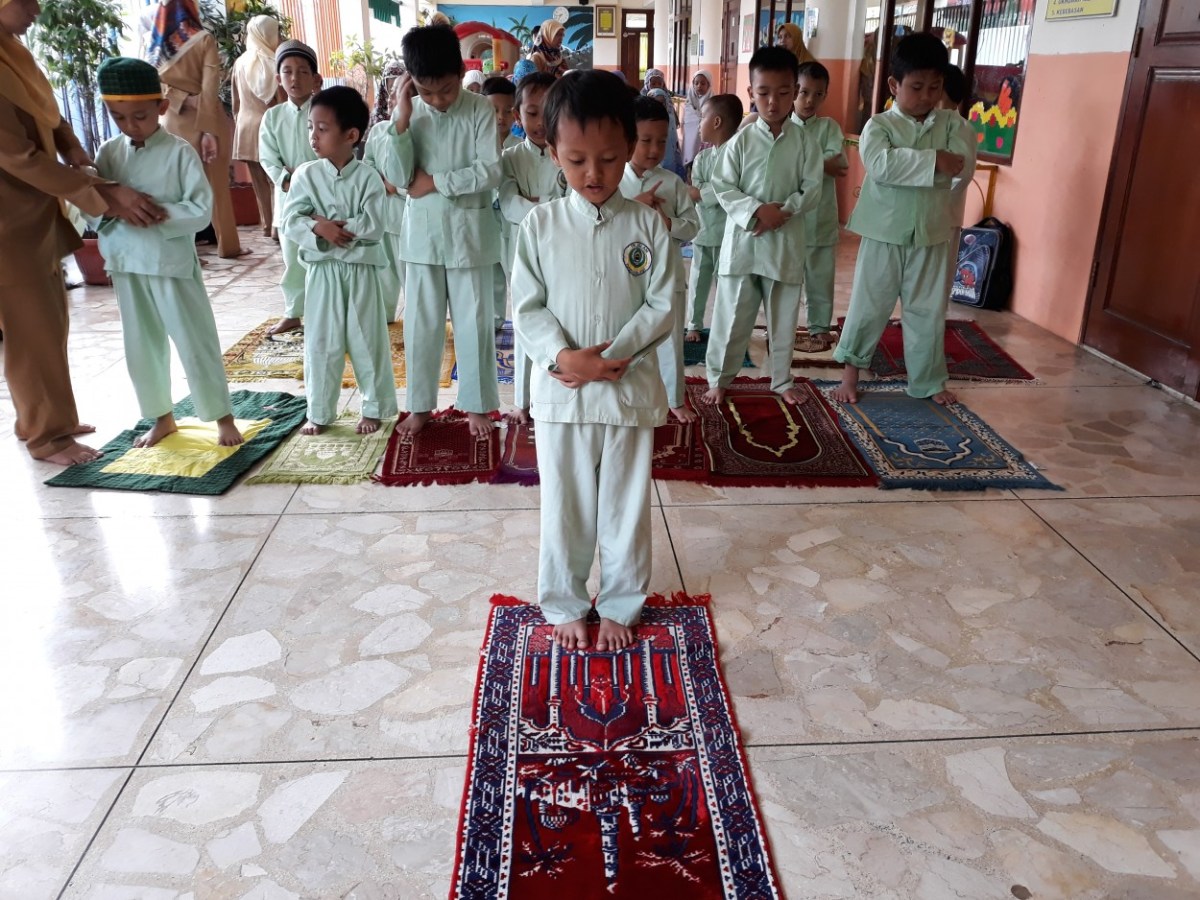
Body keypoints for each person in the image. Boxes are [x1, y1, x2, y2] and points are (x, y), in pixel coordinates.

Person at [511, 70, 676, 652]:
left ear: (630, 149)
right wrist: (564, 357)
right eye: (577, 160)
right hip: (563, 393)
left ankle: (622, 604)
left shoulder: (647, 224)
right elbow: (526, 306)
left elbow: (663, 303)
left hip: (627, 391)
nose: (594, 174)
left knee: (626, 505)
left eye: (608, 158)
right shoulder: (540, 225)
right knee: (566, 503)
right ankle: (563, 601)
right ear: (553, 153)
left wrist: (616, 355)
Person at [0, 0, 165, 465]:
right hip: (7, 221)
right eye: (26, 0)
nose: (36, 9)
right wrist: (101, 191)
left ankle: (42, 418)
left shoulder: (13, 52)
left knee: (48, 319)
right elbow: (18, 157)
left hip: (30, 212)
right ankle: (47, 438)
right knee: (30, 327)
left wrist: (72, 147)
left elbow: (46, 114)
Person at [91, 57, 242, 448]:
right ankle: (161, 417)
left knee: (195, 340)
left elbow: (199, 211)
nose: (130, 126)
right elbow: (90, 207)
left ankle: (221, 416)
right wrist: (114, 206)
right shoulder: (108, 154)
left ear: (160, 107)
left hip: (170, 263)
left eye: (139, 116)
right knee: (141, 344)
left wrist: (155, 213)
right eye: (119, 117)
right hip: (126, 263)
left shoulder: (179, 153)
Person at [831, 33, 976, 406]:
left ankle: (927, 380)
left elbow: (961, 168)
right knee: (869, 304)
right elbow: (881, 166)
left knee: (927, 310)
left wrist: (932, 163)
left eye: (935, 87)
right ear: (894, 85)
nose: (927, 96)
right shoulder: (879, 126)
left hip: (932, 232)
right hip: (884, 232)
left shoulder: (953, 125)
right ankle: (850, 373)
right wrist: (933, 161)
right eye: (916, 87)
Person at [380, 25, 502, 438]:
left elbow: (490, 172)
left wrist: (435, 182)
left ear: (460, 71)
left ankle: (478, 405)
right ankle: (419, 406)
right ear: (411, 82)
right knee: (421, 325)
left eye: (446, 89)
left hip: (470, 236)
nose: (437, 100)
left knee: (474, 322)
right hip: (422, 237)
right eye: (426, 91)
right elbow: (397, 177)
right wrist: (400, 115)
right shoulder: (408, 115)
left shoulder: (480, 109)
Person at [702, 46, 822, 407]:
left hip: (784, 243)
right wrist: (756, 211)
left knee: (784, 317)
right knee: (731, 316)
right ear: (751, 92)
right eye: (764, 92)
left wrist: (783, 211)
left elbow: (812, 188)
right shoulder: (739, 142)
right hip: (744, 245)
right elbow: (723, 186)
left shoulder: (805, 142)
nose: (774, 102)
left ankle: (782, 379)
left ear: (795, 91)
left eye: (785, 92)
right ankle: (718, 378)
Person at [281, 85, 396, 435]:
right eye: (310, 128)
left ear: (351, 135)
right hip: (322, 272)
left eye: (322, 128)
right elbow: (290, 220)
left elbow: (375, 224)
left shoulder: (368, 178)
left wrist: (335, 227)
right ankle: (319, 411)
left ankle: (373, 408)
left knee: (367, 339)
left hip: (360, 271)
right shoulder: (305, 175)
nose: (314, 136)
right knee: (321, 342)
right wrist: (320, 228)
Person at [148, 0, 245, 259]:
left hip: (173, 123)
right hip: (208, 121)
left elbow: (155, 86)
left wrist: (180, 99)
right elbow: (210, 89)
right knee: (218, 189)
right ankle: (228, 246)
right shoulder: (203, 39)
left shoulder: (157, 47)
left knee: (180, 190)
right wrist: (209, 131)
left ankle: (185, 251)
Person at [622, 95, 698, 423]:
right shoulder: (614, 183)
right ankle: (626, 393)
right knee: (626, 337)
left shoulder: (673, 183)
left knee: (669, 341)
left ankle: (674, 397)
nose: (654, 150)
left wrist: (668, 223)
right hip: (624, 280)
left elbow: (693, 226)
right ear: (627, 138)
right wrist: (635, 206)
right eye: (645, 141)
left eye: (662, 141)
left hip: (666, 276)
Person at [499, 71, 561, 424]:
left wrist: (534, 201)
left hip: (561, 253)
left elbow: (571, 201)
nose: (539, 122)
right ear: (517, 116)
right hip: (520, 255)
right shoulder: (509, 159)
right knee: (524, 325)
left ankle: (554, 395)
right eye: (532, 113)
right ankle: (522, 402)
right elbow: (509, 205)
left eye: (548, 111)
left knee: (559, 323)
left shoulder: (567, 153)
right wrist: (549, 204)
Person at [259, 39, 319, 335]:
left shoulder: (324, 111)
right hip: (288, 199)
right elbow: (268, 157)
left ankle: (327, 311)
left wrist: (312, 176)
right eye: (288, 71)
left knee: (325, 258)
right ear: (278, 78)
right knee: (292, 258)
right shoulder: (272, 117)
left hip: (324, 198)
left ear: (315, 78)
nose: (295, 78)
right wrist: (288, 178)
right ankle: (294, 312)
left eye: (303, 71)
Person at [792, 60, 848, 353]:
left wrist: (802, 165)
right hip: (789, 221)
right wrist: (818, 164)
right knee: (787, 279)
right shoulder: (783, 127)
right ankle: (784, 327)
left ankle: (819, 328)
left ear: (825, 95)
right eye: (803, 92)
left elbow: (838, 164)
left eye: (817, 94)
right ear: (792, 92)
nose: (809, 100)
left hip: (822, 218)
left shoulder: (829, 128)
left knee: (820, 279)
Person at [684, 93, 742, 343]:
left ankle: (724, 325)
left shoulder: (738, 156)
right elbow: (696, 190)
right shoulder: (702, 158)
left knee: (726, 284)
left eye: (702, 118)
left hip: (729, 233)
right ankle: (694, 325)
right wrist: (709, 192)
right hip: (704, 230)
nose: (699, 125)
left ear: (716, 122)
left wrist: (706, 192)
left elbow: (731, 189)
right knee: (698, 280)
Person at [363, 60, 408, 323]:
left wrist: (396, 186)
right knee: (384, 269)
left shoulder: (416, 128)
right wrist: (380, 181)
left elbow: (418, 170)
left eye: (399, 92)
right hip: (383, 213)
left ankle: (417, 318)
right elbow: (367, 163)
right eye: (390, 91)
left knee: (409, 273)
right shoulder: (378, 130)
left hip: (406, 214)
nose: (393, 98)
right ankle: (385, 314)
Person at [230, 15, 281, 237]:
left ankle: (267, 225)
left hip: (246, 128)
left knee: (259, 182)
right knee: (276, 181)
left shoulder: (240, 62)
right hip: (270, 129)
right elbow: (281, 103)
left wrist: (239, 120)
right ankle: (279, 228)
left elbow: (235, 102)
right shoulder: (274, 62)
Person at [483, 75, 521, 329]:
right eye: (494, 110)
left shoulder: (519, 148)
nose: (500, 117)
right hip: (486, 219)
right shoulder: (476, 147)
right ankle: (494, 321)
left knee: (514, 272)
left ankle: (522, 321)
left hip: (511, 221)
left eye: (507, 111)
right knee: (491, 273)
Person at [645, 87, 685, 181]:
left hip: (669, 152)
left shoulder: (670, 117)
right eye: (655, 102)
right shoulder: (646, 120)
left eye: (662, 102)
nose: (659, 106)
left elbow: (674, 138)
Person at [681, 69, 712, 167]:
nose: (699, 86)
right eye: (696, 83)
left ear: (709, 85)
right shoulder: (688, 102)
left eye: (703, 83)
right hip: (689, 136)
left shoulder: (713, 101)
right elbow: (685, 120)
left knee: (701, 159)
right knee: (689, 155)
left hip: (705, 138)